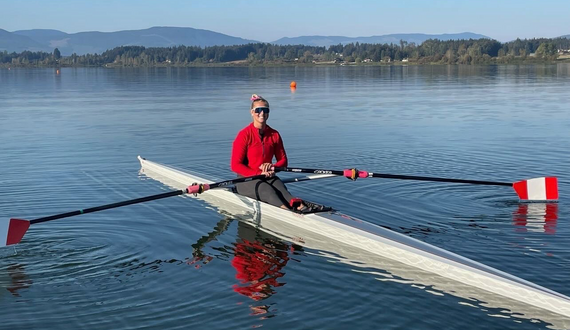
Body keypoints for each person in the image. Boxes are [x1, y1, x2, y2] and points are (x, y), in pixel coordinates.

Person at [231, 94, 306, 211]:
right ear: (252, 112)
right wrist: (256, 173)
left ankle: (300, 208)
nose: (262, 113)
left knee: (284, 192)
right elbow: (235, 165)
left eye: (265, 110)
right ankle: (288, 213)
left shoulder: (274, 134)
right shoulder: (244, 135)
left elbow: (283, 161)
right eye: (258, 110)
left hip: (268, 176)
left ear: (268, 112)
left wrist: (273, 167)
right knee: (267, 191)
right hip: (246, 178)